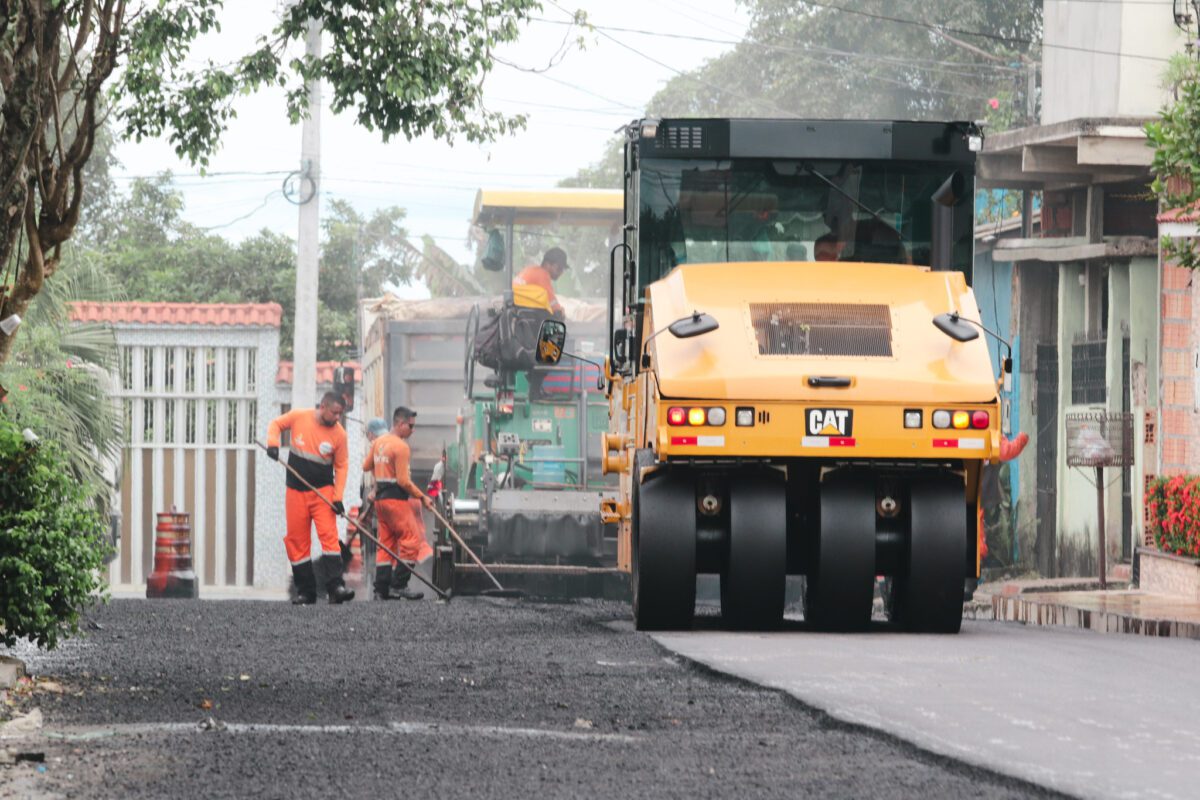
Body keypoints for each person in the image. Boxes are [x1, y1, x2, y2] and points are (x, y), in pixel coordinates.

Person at [266, 392, 355, 605]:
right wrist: (273, 444)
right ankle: (306, 591)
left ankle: (336, 587)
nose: (337, 418)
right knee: (297, 541)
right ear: (323, 406)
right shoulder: (299, 417)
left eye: (340, 414)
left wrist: (338, 497)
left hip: (323, 492)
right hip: (295, 491)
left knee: (329, 537)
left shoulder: (339, 435)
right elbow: (276, 424)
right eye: (334, 413)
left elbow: (341, 466)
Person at [362, 405, 434, 601]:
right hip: (395, 501)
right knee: (412, 540)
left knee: (386, 545)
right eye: (410, 426)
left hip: (381, 503)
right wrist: (422, 497)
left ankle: (381, 590)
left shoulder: (378, 443)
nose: (413, 430)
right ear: (400, 424)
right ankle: (398, 585)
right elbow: (403, 481)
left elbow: (366, 465)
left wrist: (381, 472)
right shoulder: (401, 447)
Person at [513, 246, 569, 316]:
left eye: (562, 270)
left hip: (516, 306)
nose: (561, 273)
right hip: (521, 309)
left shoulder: (531, 269)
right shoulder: (543, 274)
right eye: (559, 268)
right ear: (547, 264)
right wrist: (560, 312)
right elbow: (552, 302)